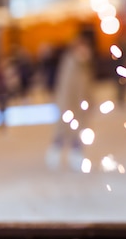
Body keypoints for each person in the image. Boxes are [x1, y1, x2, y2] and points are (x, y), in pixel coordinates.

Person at [45, 29, 96, 171]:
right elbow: (66, 87)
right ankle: (54, 155)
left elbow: (86, 86)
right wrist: (66, 106)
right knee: (63, 131)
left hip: (80, 106)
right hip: (69, 106)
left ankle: (75, 156)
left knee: (77, 133)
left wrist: (90, 101)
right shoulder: (71, 63)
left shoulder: (83, 64)